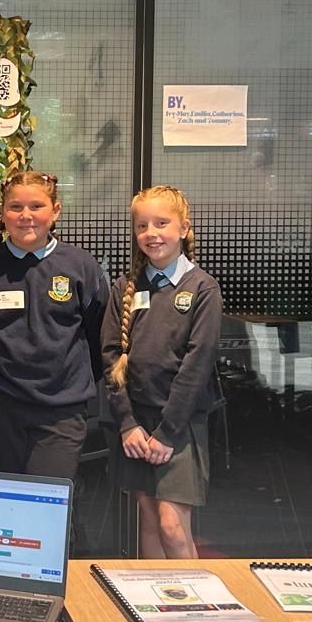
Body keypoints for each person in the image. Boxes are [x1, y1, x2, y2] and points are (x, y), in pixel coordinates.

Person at [0, 171, 107, 479]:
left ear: (56, 211)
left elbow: (98, 335)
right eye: (15, 207)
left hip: (62, 410)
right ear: (2, 213)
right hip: (1, 408)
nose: (26, 216)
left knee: (49, 500)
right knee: (4, 501)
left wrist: (67, 379)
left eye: (36, 206)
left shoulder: (80, 266)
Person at [102, 185, 223, 559]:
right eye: (142, 226)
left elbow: (196, 365)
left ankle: (196, 609)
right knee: (150, 519)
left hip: (178, 426)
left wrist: (167, 433)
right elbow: (109, 356)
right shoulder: (125, 287)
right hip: (136, 426)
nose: (151, 233)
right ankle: (155, 605)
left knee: (172, 524)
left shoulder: (202, 288)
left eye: (161, 223)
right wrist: (127, 424)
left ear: (184, 228)